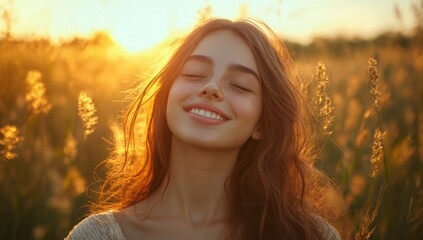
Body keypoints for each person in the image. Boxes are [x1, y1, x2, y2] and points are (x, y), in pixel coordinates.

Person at [66, 18, 346, 240]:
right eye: (194, 74)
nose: (211, 88)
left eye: (239, 85)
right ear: (167, 97)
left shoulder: (311, 236)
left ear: (261, 123)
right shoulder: (96, 235)